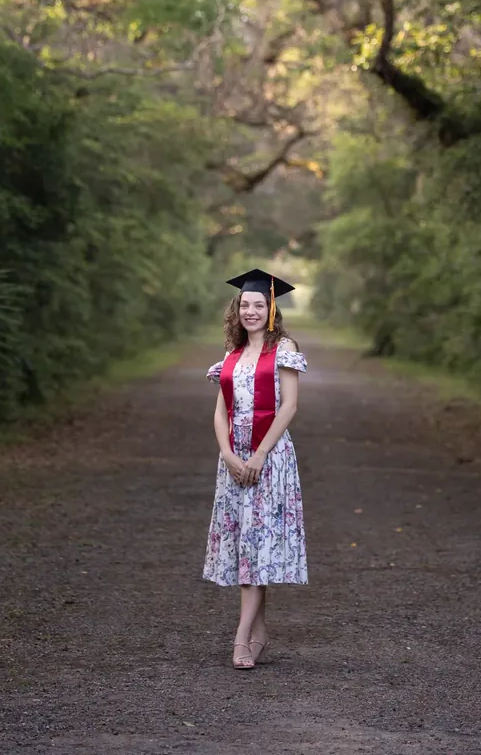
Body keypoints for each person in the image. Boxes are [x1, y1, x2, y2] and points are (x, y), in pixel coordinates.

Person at [202, 268, 308, 669]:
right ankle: (259, 630)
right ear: (237, 308)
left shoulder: (284, 349)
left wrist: (259, 454)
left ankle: (242, 637)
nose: (251, 311)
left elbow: (290, 407)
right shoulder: (230, 355)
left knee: (257, 547)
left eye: (259, 305)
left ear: (271, 309)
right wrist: (228, 454)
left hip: (271, 458)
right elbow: (219, 412)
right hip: (232, 461)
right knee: (247, 546)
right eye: (245, 305)